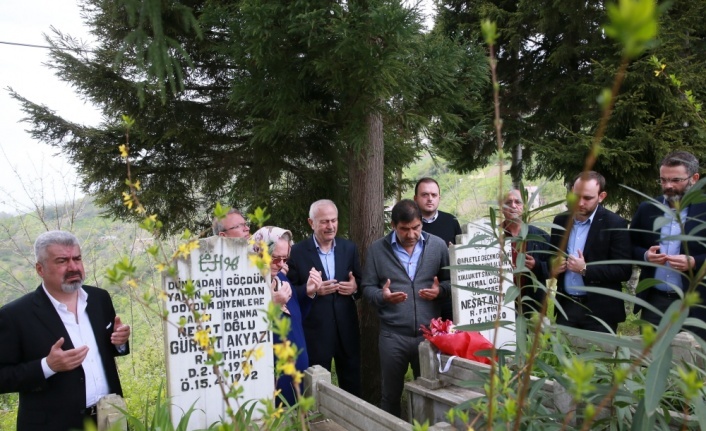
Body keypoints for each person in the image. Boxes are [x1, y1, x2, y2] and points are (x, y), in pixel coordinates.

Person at [0, 231, 131, 431]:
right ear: (40, 269)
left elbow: (104, 351)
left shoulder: (99, 298)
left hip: (109, 419)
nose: (73, 267)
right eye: (62, 261)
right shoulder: (15, 315)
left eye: (77, 258)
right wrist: (47, 366)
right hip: (54, 425)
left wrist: (120, 342)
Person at [362, 199, 451, 417]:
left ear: (421, 223)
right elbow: (366, 288)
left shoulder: (437, 246)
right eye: (404, 229)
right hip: (393, 336)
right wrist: (382, 297)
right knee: (390, 394)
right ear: (393, 225)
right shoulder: (377, 250)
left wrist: (440, 292)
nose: (411, 235)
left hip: (429, 335)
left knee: (431, 392)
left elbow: (451, 282)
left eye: (416, 228)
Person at [286, 200, 362, 397]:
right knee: (316, 388)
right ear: (311, 223)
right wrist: (312, 291)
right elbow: (290, 292)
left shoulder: (349, 248)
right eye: (324, 222)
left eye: (334, 220)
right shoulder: (297, 252)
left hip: (347, 329)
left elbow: (361, 283)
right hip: (316, 331)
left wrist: (354, 287)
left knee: (352, 384)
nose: (330, 226)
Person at [630, 151, 706, 339]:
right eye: (663, 180)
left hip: (696, 305)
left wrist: (695, 262)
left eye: (675, 180)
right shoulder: (648, 208)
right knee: (651, 360)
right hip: (654, 303)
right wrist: (646, 256)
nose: (668, 186)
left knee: (693, 363)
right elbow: (629, 245)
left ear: (694, 178)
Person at [550, 171, 632, 333]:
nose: (580, 203)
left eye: (587, 198)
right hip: (566, 306)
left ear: (601, 196)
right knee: (561, 356)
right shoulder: (560, 221)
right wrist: (553, 267)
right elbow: (551, 257)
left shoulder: (615, 224)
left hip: (600, 312)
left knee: (599, 357)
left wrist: (585, 269)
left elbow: (623, 270)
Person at [250, 226, 315, 406]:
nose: (280, 264)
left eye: (285, 258)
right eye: (275, 258)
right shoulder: (248, 286)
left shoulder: (281, 279)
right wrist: (273, 306)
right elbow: (247, 334)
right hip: (272, 377)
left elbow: (296, 320)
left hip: (296, 371)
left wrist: (309, 293)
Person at [413, 177, 462, 321]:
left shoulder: (451, 222)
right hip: (419, 297)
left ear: (439, 198)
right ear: (415, 198)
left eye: (433, 195)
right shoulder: (409, 225)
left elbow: (461, 257)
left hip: (448, 295)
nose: (429, 199)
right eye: (424, 195)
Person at [500, 189, 550, 314]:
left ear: (525, 207)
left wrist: (537, 266)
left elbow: (555, 267)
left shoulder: (540, 236)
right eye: (508, 202)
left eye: (518, 202)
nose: (513, 206)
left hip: (532, 305)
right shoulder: (493, 236)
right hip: (501, 306)